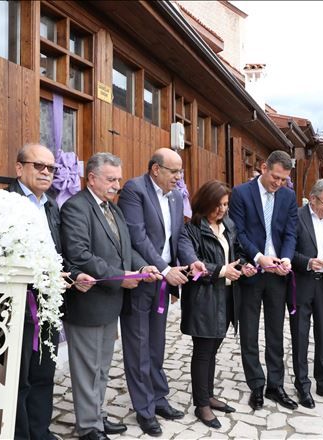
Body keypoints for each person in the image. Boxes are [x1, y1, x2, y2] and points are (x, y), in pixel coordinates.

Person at [61, 153, 161, 440]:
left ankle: (98, 415)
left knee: (102, 368)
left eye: (119, 179)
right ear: (91, 178)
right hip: (88, 303)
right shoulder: (76, 208)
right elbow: (80, 254)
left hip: (110, 304)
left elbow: (125, 250)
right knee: (87, 370)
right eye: (111, 179)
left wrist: (141, 267)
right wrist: (120, 277)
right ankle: (88, 427)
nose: (117, 185)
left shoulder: (113, 209)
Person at [8, 143, 95, 440]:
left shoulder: (51, 205)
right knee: (19, 378)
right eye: (39, 166)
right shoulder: (4, 203)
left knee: (44, 373)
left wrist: (75, 274)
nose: (46, 172)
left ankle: (40, 431)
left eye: (51, 168)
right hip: (19, 304)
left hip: (50, 302)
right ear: (19, 168)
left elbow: (60, 253)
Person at [117, 148, 192, 436]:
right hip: (141, 279)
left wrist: (190, 261)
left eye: (180, 171)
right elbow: (137, 237)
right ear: (155, 169)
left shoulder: (175, 196)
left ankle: (159, 398)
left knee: (157, 345)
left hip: (162, 280)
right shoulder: (135, 190)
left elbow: (179, 236)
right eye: (174, 171)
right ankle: (145, 409)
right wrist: (164, 268)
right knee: (138, 347)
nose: (179, 177)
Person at [177, 180, 257, 428]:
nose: (223, 209)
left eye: (225, 204)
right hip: (203, 299)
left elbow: (237, 253)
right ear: (205, 203)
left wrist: (244, 266)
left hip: (226, 297)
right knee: (203, 352)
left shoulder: (228, 225)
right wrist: (222, 270)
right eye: (218, 205)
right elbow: (193, 264)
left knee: (212, 350)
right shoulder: (190, 230)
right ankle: (201, 404)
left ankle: (208, 395)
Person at [229, 150, 299, 411]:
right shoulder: (241, 193)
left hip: (277, 275)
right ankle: (256, 384)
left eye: (283, 179)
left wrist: (287, 259)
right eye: (275, 177)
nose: (278, 183)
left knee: (275, 332)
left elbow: (290, 233)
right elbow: (238, 233)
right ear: (263, 167)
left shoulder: (288, 196)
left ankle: (275, 385)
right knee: (249, 332)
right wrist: (259, 258)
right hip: (252, 272)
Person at [290, 179, 323, 408]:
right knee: (300, 335)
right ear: (312, 199)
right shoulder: (297, 216)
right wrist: (307, 262)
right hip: (303, 283)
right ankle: (302, 385)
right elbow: (287, 250)